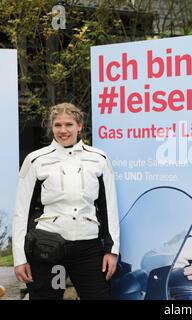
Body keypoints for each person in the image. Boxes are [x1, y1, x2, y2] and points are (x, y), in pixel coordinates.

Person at [13, 102, 120, 300]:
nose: (63, 130)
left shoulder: (99, 159)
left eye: (69, 124)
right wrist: (20, 258)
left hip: (88, 251)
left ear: (79, 126)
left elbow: (109, 208)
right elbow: (22, 213)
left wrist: (112, 251)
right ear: (51, 127)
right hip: (49, 252)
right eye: (58, 125)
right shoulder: (36, 160)